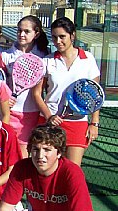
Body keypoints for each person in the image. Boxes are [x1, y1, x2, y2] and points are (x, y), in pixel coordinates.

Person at [32, 17, 100, 166]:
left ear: (72, 35)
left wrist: (94, 123)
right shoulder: (47, 61)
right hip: (50, 124)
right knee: (47, 169)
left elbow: (95, 94)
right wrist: (49, 116)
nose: (58, 41)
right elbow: (37, 94)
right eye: (54, 37)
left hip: (77, 123)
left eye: (62, 36)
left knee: (72, 170)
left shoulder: (88, 59)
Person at [0, 15, 50, 157]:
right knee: (5, 153)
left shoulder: (44, 56)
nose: (21, 34)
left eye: (26, 31)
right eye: (19, 30)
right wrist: (4, 99)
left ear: (36, 34)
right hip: (7, 112)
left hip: (31, 113)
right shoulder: (5, 55)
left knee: (24, 157)